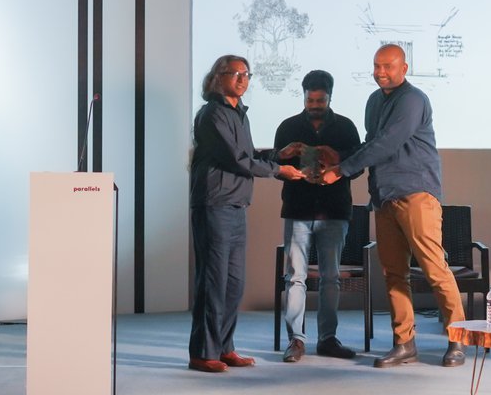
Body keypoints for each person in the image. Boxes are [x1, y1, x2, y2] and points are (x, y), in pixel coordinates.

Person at [321, 44, 466, 368]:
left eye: (387, 66)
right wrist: (340, 160)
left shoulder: (413, 99)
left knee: (434, 269)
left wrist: (341, 170)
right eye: (376, 66)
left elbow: (388, 143)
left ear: (404, 68)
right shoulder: (374, 101)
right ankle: (404, 343)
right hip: (384, 196)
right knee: (393, 273)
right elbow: (372, 143)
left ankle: (457, 339)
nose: (380, 72)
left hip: (416, 194)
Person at [188, 54, 304, 373]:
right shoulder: (212, 114)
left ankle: (224, 348)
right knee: (214, 281)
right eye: (235, 73)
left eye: (246, 74)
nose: (242, 79)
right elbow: (236, 160)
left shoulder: (240, 113)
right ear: (218, 77)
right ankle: (203, 353)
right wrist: (279, 170)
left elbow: (248, 154)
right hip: (214, 204)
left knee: (233, 283)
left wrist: (279, 154)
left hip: (237, 204)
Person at [273, 70, 361, 363]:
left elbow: (359, 166)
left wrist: (338, 159)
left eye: (319, 100)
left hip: (334, 211)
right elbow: (275, 166)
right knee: (295, 277)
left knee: (330, 278)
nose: (314, 105)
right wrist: (284, 157)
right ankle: (296, 340)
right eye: (309, 100)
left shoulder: (346, 127)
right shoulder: (288, 126)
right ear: (303, 96)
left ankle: (327, 339)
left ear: (330, 97)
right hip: (297, 210)